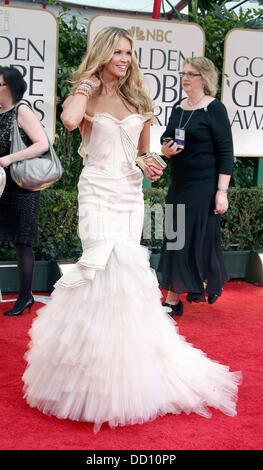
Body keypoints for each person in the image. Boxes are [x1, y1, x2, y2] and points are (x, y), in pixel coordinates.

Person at [22, 28, 241, 433]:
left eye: (129, 52)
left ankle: (123, 372)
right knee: (98, 268)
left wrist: (150, 164)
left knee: (125, 273)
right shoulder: (85, 94)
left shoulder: (140, 98)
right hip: (96, 190)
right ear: (104, 54)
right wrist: (86, 83)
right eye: (118, 52)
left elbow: (143, 157)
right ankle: (84, 374)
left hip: (128, 195)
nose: (125, 58)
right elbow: (69, 121)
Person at [158, 57, 233, 317]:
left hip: (204, 185)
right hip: (179, 182)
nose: (185, 78)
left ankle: (173, 298)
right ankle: (179, 292)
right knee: (174, 235)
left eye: (191, 74)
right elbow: (165, 135)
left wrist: (221, 192)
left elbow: (226, 153)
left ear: (205, 78)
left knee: (189, 237)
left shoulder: (214, 108)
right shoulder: (179, 108)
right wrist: (166, 148)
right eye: (183, 73)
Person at [0, 67, 49, 316]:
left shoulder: (22, 110)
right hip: (1, 185)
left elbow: (42, 143)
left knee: (22, 242)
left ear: (12, 87)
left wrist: (9, 159)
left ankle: (24, 297)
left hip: (22, 185)